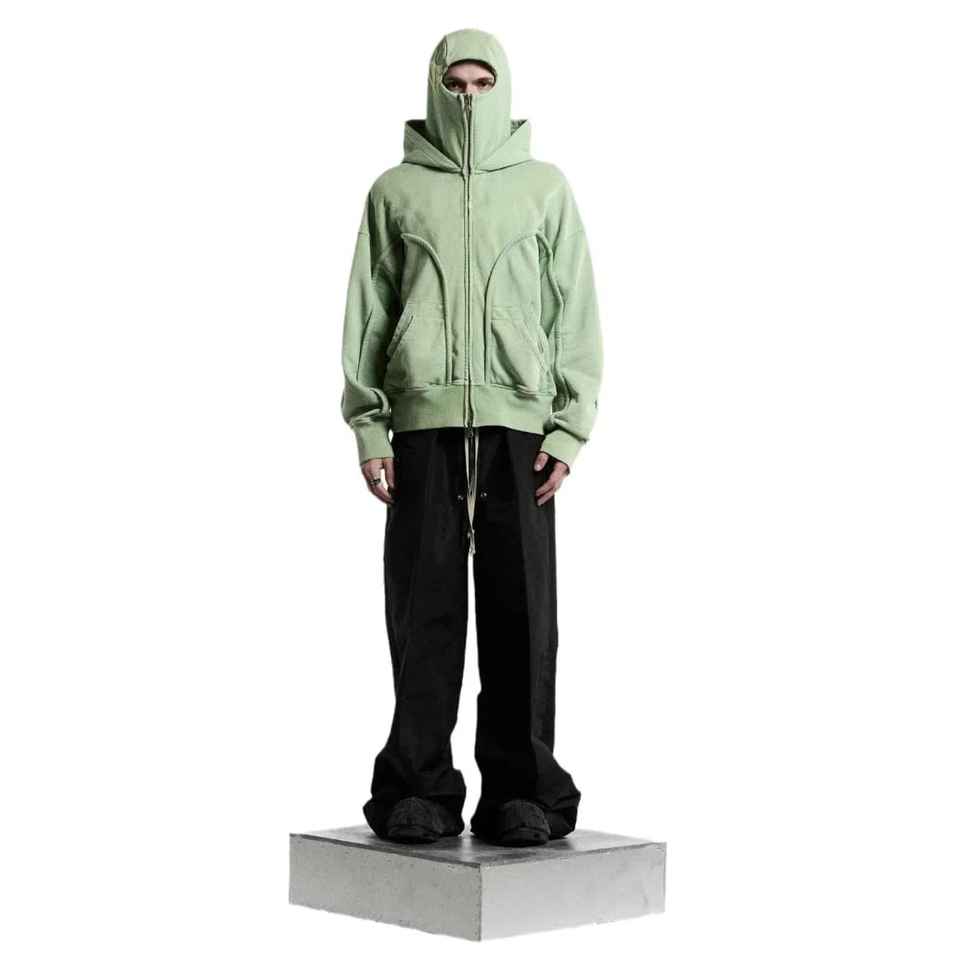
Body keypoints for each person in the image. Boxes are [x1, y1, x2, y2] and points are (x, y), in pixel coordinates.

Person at [339, 28, 603, 846]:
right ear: (434, 88)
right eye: (455, 82)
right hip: (420, 428)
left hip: (520, 430)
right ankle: (417, 786)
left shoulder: (543, 188)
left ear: (504, 88)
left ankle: (524, 791)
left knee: (522, 611)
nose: (468, 96)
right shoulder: (395, 192)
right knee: (424, 610)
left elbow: (574, 313)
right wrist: (371, 426)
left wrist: (569, 428)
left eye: (483, 82)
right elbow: (369, 312)